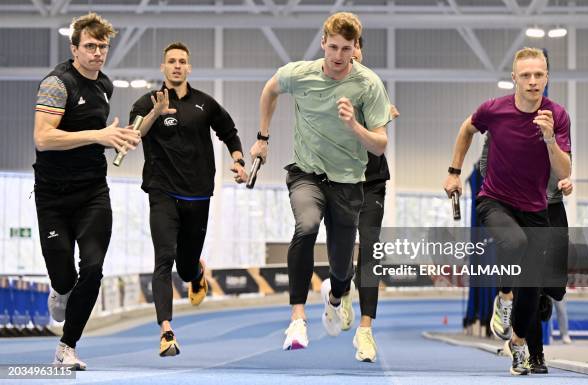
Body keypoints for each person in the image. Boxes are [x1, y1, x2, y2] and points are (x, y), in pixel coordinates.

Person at [249, 12, 391, 351]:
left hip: (347, 183)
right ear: (323, 43)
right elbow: (270, 90)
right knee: (307, 225)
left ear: (356, 47)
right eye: (333, 47)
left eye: (346, 48)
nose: (338, 56)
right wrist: (262, 136)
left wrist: (354, 126)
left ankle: (336, 295)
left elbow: (381, 143)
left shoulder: (368, 84)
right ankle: (297, 319)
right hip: (307, 173)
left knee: (342, 270)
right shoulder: (299, 73)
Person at [443, 47, 571, 375]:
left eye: (538, 75)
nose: (532, 81)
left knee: (532, 286)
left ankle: (518, 344)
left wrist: (548, 140)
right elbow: (467, 129)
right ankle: (503, 296)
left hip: (536, 209)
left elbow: (564, 170)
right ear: (514, 78)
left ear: (547, 77)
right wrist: (455, 172)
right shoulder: (494, 111)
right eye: (525, 75)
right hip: (494, 200)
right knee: (515, 244)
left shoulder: (557, 116)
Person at [33, 12, 140, 370]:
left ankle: (67, 347)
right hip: (52, 195)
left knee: (93, 268)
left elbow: (96, 136)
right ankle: (60, 288)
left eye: (103, 46)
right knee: (65, 277)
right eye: (90, 46)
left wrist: (117, 140)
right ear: (74, 48)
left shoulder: (105, 86)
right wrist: (99, 136)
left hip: (93, 192)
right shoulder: (57, 84)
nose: (97, 53)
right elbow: (43, 138)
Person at [130, 42, 247, 357]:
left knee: (184, 268)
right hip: (161, 191)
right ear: (163, 68)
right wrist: (156, 112)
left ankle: (196, 271)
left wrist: (238, 159)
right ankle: (166, 331)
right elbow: (135, 134)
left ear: (189, 68)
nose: (177, 66)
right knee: (164, 259)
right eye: (171, 61)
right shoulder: (146, 102)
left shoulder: (204, 104)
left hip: (197, 195)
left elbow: (229, 130)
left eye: (182, 61)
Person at [320, 36, 399, 363]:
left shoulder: (372, 86)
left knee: (370, 246)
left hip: (372, 181)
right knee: (341, 251)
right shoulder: (328, 86)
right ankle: (339, 290)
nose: (349, 56)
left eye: (354, 50)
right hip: (339, 180)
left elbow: (378, 136)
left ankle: (365, 331)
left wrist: (381, 118)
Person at [480, 134, 573, 373]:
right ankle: (535, 355)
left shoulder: (555, 124)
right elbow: (484, 168)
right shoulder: (502, 124)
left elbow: (565, 167)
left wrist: (566, 181)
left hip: (552, 208)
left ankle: (532, 307)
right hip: (521, 210)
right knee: (531, 284)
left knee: (555, 290)